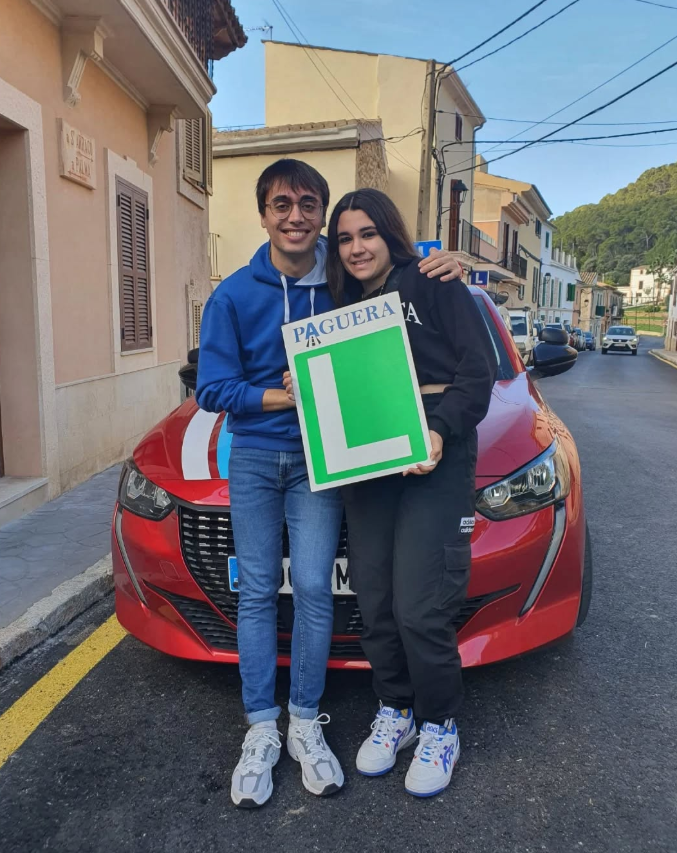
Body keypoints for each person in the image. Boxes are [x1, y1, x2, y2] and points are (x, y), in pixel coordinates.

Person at [195, 159, 463, 808]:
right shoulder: (231, 295)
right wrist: (279, 397)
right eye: (281, 203)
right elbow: (210, 387)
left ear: (320, 213)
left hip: (327, 463)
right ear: (262, 213)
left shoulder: (344, 282)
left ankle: (306, 719)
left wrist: (444, 258)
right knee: (259, 589)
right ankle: (262, 722)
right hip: (258, 456)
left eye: (307, 204)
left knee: (315, 588)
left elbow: (399, 273)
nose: (295, 215)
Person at [323, 188, 496, 798]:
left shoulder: (434, 281)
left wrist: (442, 432)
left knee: (422, 604)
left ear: (389, 234)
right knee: (376, 600)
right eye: (344, 238)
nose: (356, 247)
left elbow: (479, 373)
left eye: (367, 233)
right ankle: (394, 710)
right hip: (367, 464)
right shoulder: (337, 306)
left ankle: (439, 724)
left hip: (434, 456)